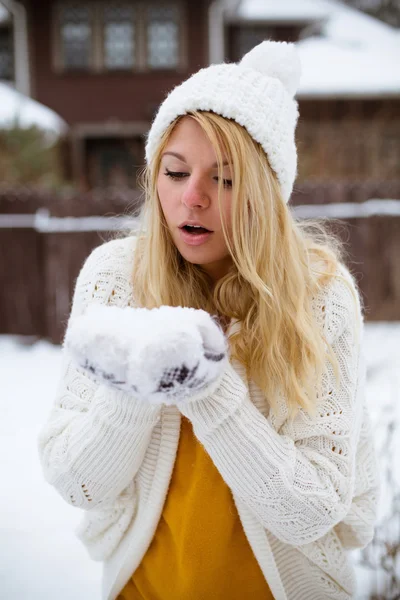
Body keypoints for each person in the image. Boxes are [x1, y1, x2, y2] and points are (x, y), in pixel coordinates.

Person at [38, 41, 379, 600]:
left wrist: (205, 385)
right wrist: (139, 378)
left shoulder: (318, 297)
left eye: (224, 180)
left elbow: (313, 509)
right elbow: (79, 482)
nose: (191, 199)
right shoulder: (115, 277)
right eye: (175, 172)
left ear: (266, 195)